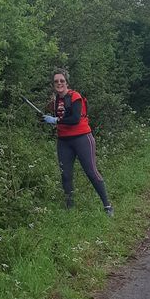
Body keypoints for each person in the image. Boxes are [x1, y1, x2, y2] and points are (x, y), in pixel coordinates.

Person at [42, 68, 114, 217]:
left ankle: (107, 206)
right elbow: (56, 118)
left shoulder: (75, 97)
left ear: (67, 82)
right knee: (66, 174)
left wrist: (55, 120)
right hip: (64, 141)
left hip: (82, 138)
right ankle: (70, 209)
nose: (59, 83)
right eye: (56, 81)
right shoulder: (55, 100)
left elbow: (74, 119)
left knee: (91, 172)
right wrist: (46, 117)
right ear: (53, 84)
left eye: (62, 80)